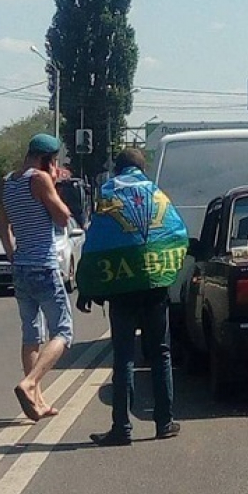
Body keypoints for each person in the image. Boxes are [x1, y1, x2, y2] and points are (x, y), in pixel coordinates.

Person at [76, 148, 189, 446]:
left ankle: (121, 428)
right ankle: (165, 423)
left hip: (121, 287)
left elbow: (94, 241)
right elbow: (178, 233)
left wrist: (87, 286)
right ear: (142, 168)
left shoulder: (108, 193)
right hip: (154, 286)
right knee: (161, 352)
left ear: (118, 168)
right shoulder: (157, 194)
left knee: (124, 356)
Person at [0, 133, 73, 422]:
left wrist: (12, 254)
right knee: (63, 332)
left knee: (31, 334)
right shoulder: (40, 180)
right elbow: (63, 217)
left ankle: (37, 400)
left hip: (20, 268)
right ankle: (29, 385)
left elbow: (4, 225)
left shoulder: (7, 182)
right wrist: (53, 182)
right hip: (43, 266)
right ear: (48, 160)